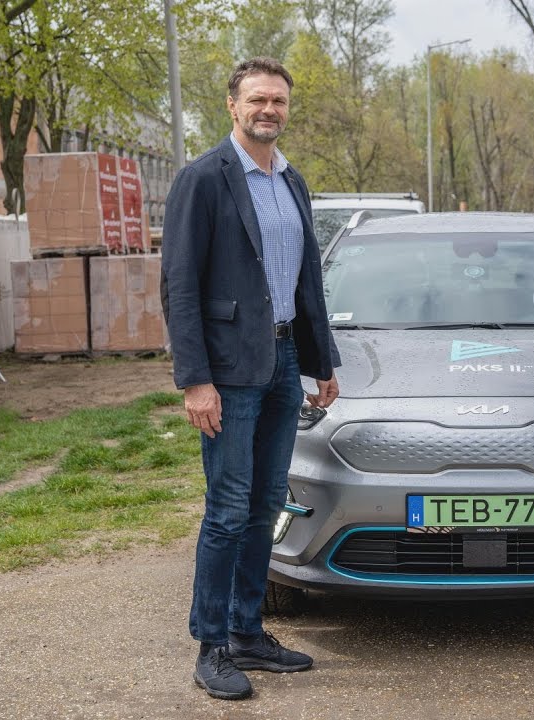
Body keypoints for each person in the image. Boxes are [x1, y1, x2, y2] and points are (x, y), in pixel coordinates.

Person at [160, 56, 340, 701]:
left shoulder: (292, 181)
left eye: (278, 101)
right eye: (257, 100)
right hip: (229, 372)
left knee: (266, 506)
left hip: (285, 363)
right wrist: (195, 380)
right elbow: (180, 285)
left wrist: (322, 362)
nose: (269, 110)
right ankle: (211, 646)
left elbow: (307, 279)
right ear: (233, 106)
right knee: (228, 509)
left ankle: (246, 632)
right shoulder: (203, 179)